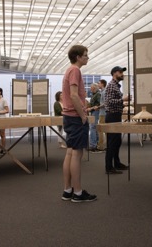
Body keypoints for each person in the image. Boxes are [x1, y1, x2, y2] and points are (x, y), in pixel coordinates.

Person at [61, 45, 97, 203]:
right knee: (76, 154)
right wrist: (83, 115)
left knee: (70, 153)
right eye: (85, 55)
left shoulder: (69, 70)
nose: (87, 57)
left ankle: (68, 190)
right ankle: (78, 192)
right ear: (78, 57)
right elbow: (74, 95)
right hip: (75, 117)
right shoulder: (75, 70)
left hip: (69, 117)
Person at [104, 66, 131, 174]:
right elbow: (109, 102)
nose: (122, 74)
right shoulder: (111, 85)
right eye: (120, 72)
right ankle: (109, 167)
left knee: (116, 141)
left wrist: (122, 103)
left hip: (115, 115)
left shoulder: (115, 85)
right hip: (112, 116)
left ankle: (117, 163)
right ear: (114, 73)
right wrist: (122, 100)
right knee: (112, 142)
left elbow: (111, 101)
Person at [87, 83, 102, 153]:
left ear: (95, 88)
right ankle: (95, 144)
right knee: (94, 127)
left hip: (96, 112)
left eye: (91, 88)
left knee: (92, 127)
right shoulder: (94, 94)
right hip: (93, 112)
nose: (90, 89)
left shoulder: (98, 94)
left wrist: (91, 108)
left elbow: (99, 104)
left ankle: (93, 145)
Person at [96, 79, 107, 151]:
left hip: (103, 114)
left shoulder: (104, 92)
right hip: (103, 113)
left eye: (99, 83)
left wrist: (98, 107)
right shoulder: (102, 92)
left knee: (100, 130)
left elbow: (105, 103)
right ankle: (106, 145)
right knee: (105, 130)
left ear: (102, 84)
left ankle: (101, 146)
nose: (98, 85)